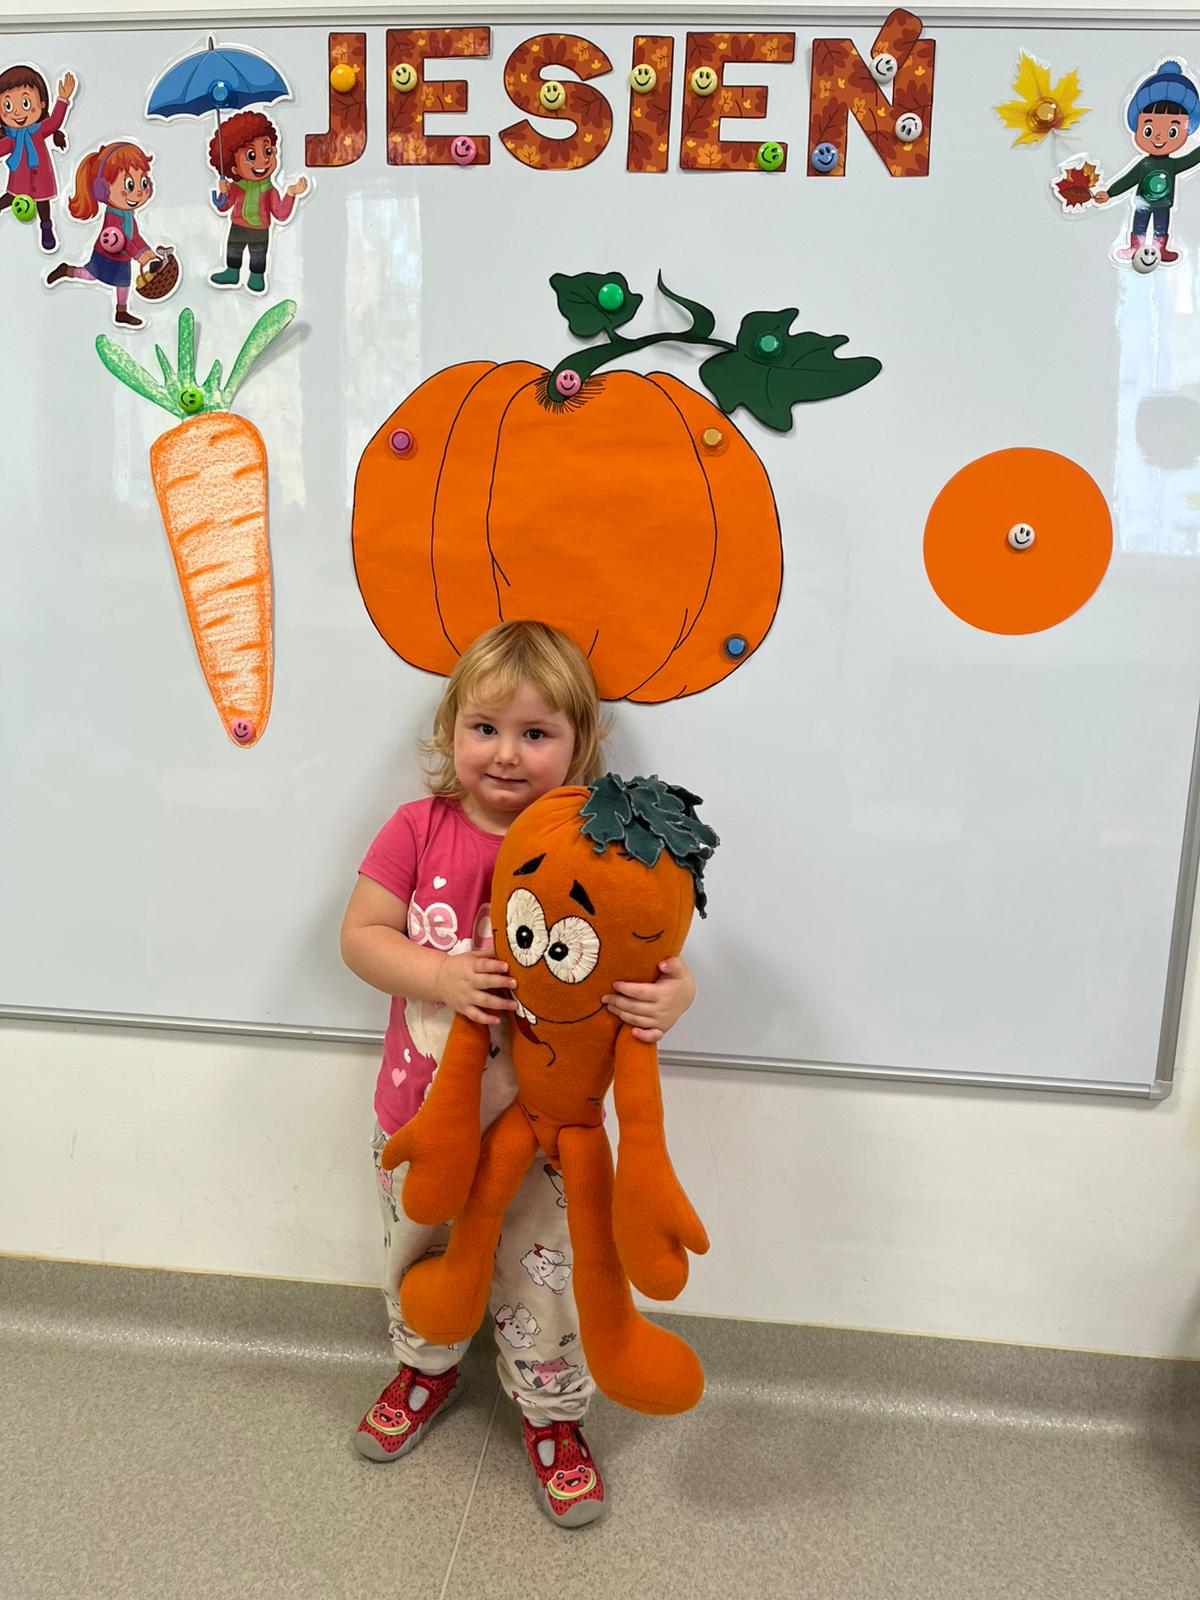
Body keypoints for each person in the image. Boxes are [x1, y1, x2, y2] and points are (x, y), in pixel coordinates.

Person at [340, 620, 697, 1528]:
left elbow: (652, 952)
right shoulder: (417, 828)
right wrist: (441, 975)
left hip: (547, 1134)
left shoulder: (597, 852)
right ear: (450, 730)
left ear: (579, 747)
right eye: (485, 727)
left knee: (543, 1278)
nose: (505, 753)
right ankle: (424, 1368)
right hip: (423, 1120)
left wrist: (677, 995)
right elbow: (361, 937)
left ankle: (551, 1412)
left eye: (535, 733)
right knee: (418, 1255)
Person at [1093, 59, 1200, 263]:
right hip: (1143, 201)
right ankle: (1135, 246)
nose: (1158, 137)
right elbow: (1128, 180)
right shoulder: (1144, 164)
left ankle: (1161, 248)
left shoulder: (1172, 165)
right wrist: (1109, 193)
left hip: (1163, 202)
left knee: (1161, 225)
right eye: (1149, 130)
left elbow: (1192, 159)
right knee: (1139, 224)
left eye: (1172, 131)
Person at [45, 140, 161, 328]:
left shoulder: (128, 214)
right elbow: (122, 240)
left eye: (143, 182)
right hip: (106, 256)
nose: (139, 192)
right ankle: (67, 270)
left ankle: (121, 312)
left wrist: (148, 253)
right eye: (130, 185)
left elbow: (135, 236)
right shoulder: (113, 216)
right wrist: (139, 256)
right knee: (89, 275)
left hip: (123, 258)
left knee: (123, 283)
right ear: (102, 189)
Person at [207, 110, 307, 294]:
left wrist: (291, 194)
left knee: (258, 256)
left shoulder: (269, 189)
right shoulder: (236, 187)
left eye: (268, 151)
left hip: (260, 229)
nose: (263, 160)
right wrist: (223, 191)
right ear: (233, 167)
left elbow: (280, 214)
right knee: (233, 251)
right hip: (238, 226)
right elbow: (223, 206)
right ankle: (232, 272)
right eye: (251, 155)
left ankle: (256, 276)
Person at [0, 64, 75, 254]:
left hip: (41, 177)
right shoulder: (11, 139)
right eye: (8, 106)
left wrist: (63, 99)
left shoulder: (39, 130)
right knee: (9, 198)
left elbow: (55, 121)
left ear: (41, 104)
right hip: (19, 180)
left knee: (43, 204)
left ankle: (46, 228)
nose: (17, 113)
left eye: (25, 103)